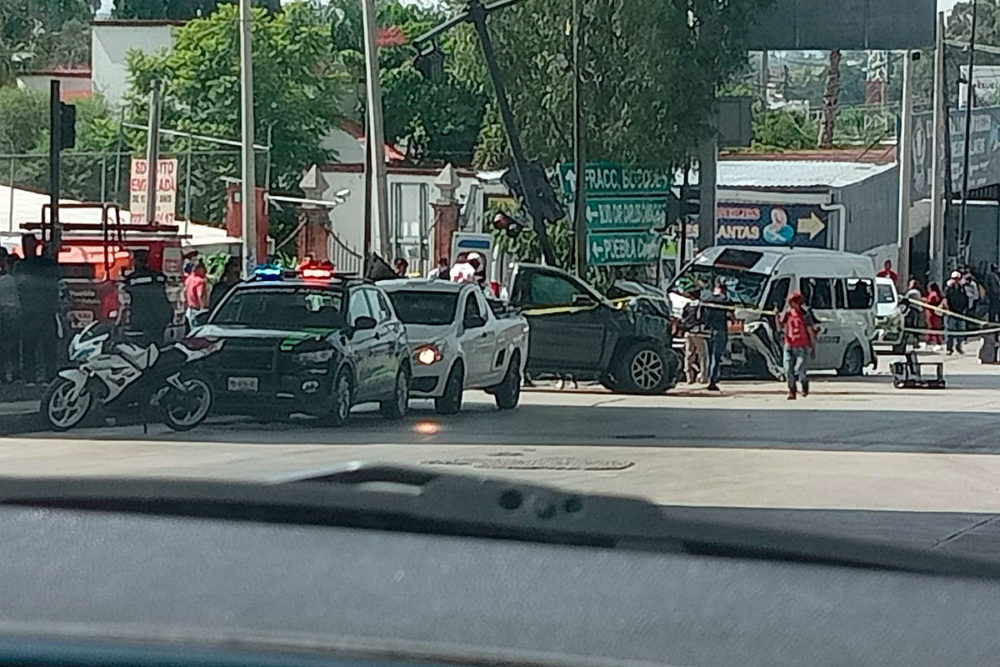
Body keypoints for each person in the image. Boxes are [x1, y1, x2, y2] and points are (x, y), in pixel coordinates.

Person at [13, 234, 60, 383]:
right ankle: (29, 376)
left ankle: (50, 374)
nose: (29, 248)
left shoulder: (46, 263)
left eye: (31, 244)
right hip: (29, 312)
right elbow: (22, 283)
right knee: (29, 347)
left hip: (46, 311)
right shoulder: (21, 265)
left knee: (49, 346)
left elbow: (55, 277)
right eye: (26, 245)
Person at [123, 249, 172, 345]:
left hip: (142, 318)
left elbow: (126, 294)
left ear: (136, 261)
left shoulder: (132, 279)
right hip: (161, 316)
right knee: (158, 344)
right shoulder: (159, 276)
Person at [778, 291, 818, 400]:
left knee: (799, 369)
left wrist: (813, 347)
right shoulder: (787, 314)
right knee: (788, 370)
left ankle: (804, 385)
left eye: (792, 302)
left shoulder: (805, 315)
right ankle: (792, 391)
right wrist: (778, 317)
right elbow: (781, 326)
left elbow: (810, 331)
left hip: (802, 346)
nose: (790, 305)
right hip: (789, 345)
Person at [701, 280, 732, 392]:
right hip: (720, 330)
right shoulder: (725, 300)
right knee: (716, 357)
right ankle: (712, 381)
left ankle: (709, 378)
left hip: (708, 331)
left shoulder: (707, 298)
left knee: (709, 357)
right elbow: (731, 314)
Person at [0, 253, 22, 382]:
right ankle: (15, 373)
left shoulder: (7, 279)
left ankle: (4, 374)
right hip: (13, 313)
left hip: (8, 313)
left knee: (6, 346)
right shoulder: (14, 279)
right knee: (13, 346)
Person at [680, 290, 707, 385]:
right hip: (697, 331)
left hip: (687, 331)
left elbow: (683, 317)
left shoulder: (687, 305)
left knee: (689, 354)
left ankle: (689, 377)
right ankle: (703, 377)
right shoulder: (701, 305)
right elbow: (703, 318)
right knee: (702, 354)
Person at [944, 271, 968, 355]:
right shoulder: (948, 288)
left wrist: (965, 308)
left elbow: (965, 298)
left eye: (958, 279)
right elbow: (945, 299)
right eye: (954, 279)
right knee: (950, 331)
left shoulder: (962, 288)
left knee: (961, 331)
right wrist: (948, 310)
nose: (956, 280)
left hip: (961, 313)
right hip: (951, 313)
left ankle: (959, 346)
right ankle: (949, 348)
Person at [184, 260, 209, 328]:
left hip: (189, 309)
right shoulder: (200, 281)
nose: (206, 271)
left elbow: (184, 292)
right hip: (197, 310)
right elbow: (200, 294)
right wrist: (203, 308)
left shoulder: (189, 279)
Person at [925, 282, 944, 349]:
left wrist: (926, 302)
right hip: (935, 314)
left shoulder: (933, 294)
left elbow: (931, 303)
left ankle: (936, 341)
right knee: (934, 328)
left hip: (932, 314)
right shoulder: (937, 294)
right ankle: (929, 340)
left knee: (932, 327)